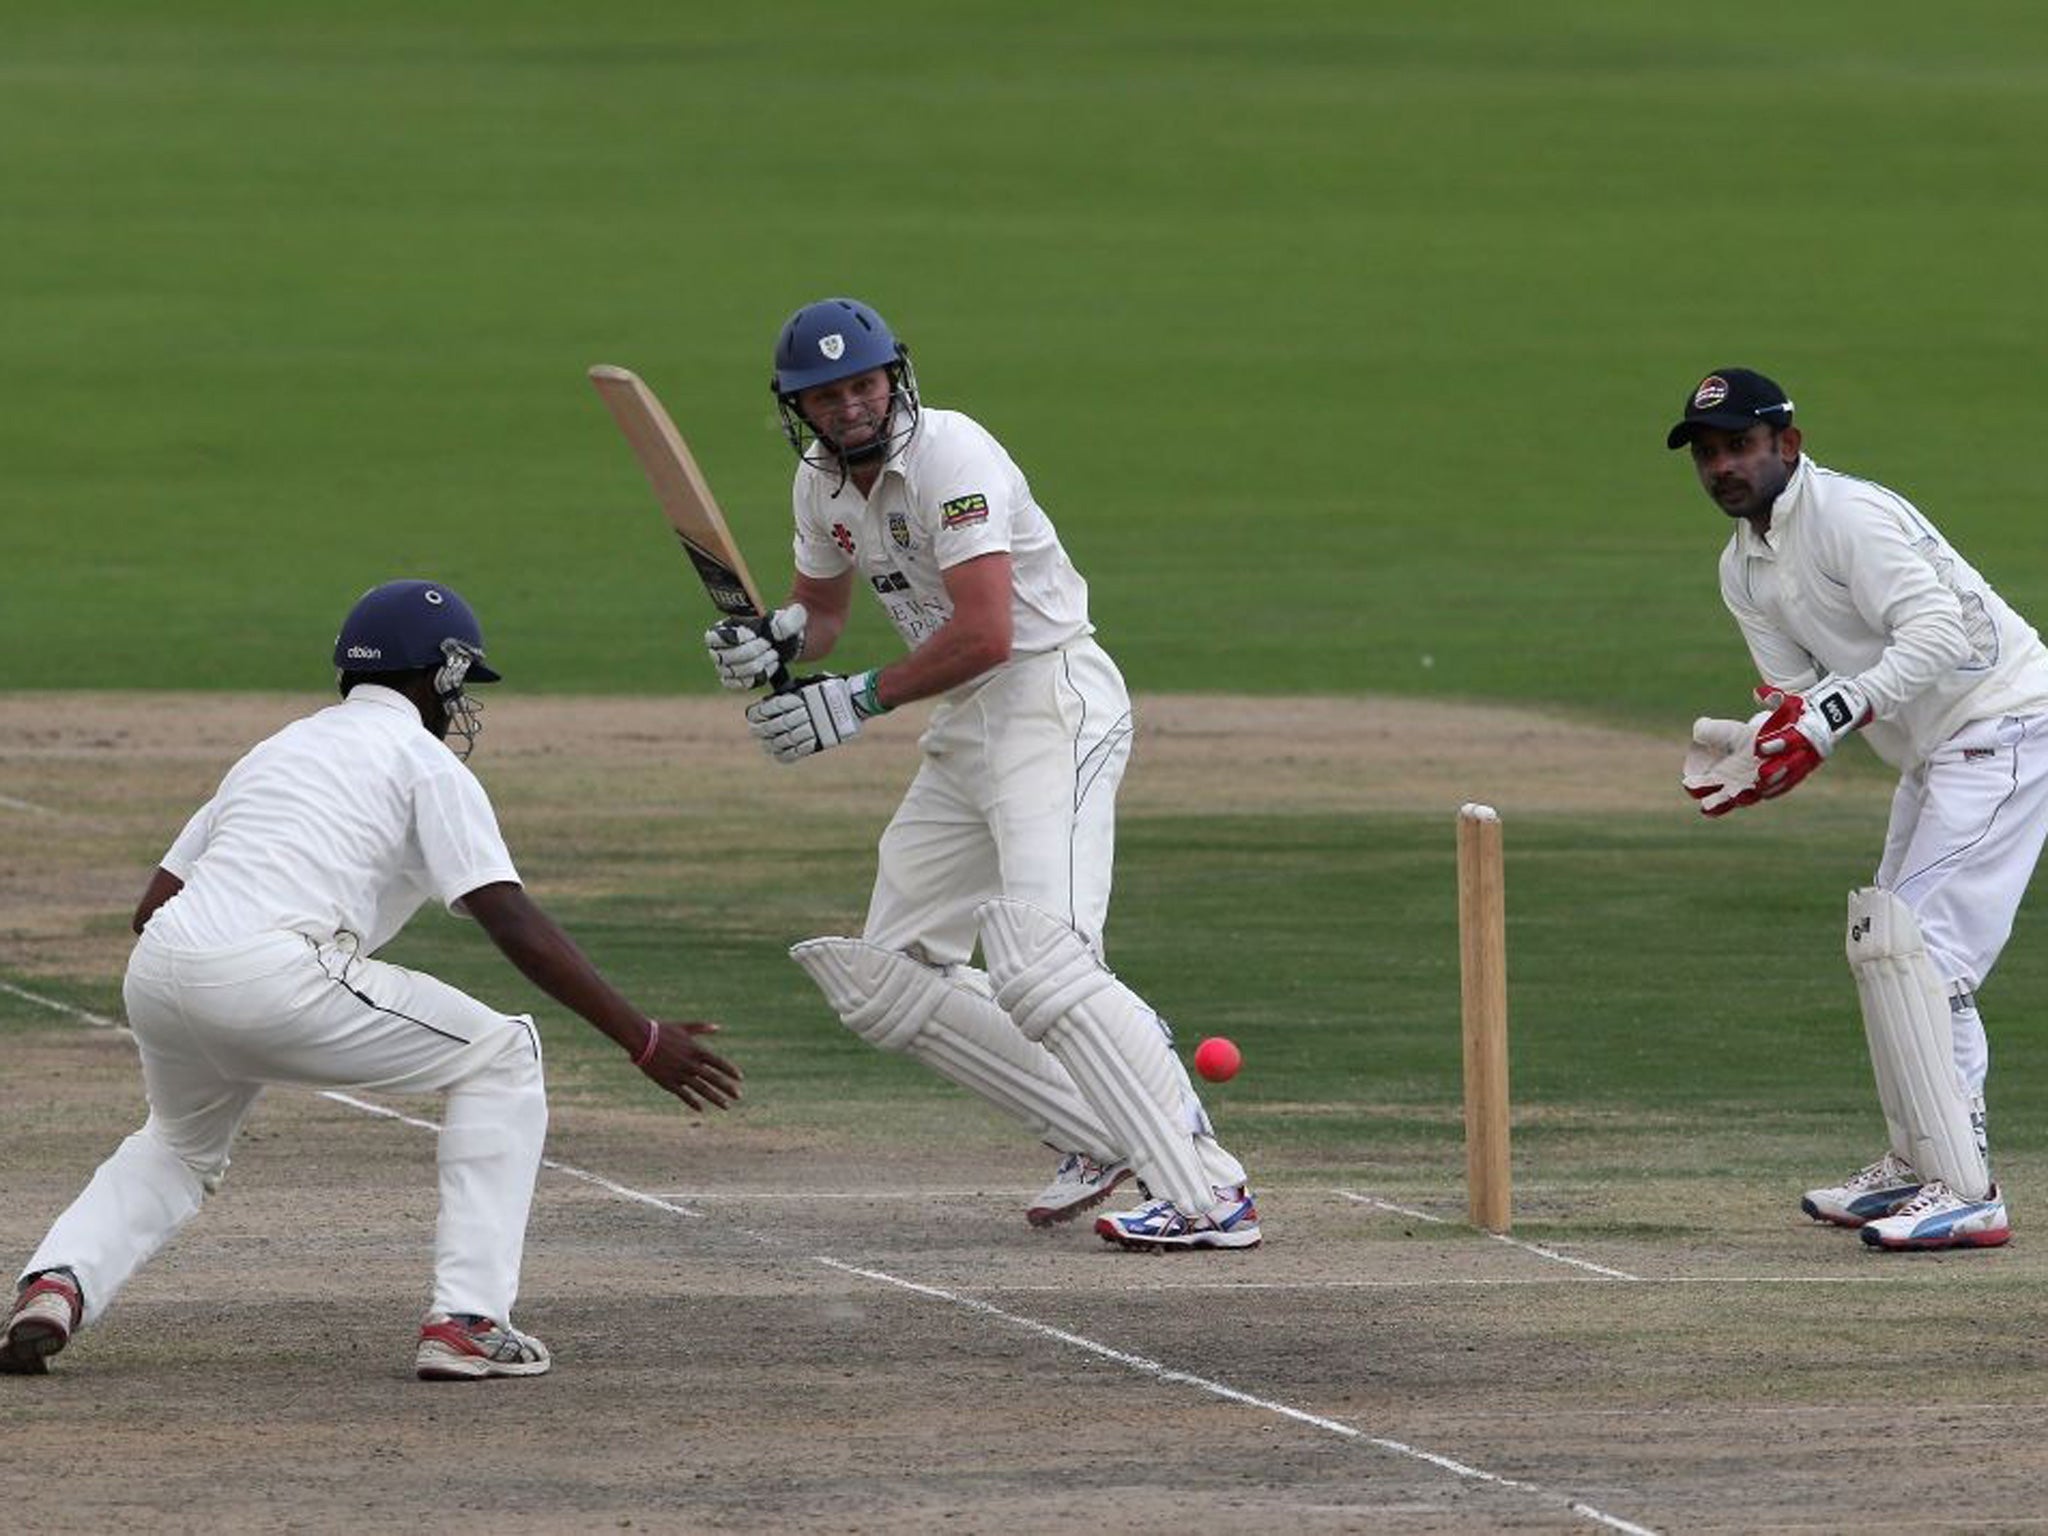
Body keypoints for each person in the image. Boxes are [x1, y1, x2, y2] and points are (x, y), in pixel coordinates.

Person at [0, 579, 741, 1379]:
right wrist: (642, 1038)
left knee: (177, 1146)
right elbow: (510, 919)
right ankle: (468, 1320)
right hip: (273, 972)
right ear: (442, 673)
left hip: (161, 972)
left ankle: (57, 1281)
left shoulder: (277, 748)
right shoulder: (424, 763)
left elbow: (155, 905)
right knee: (501, 1054)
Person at [703, 296, 1257, 1251]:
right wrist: (780, 641)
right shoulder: (818, 486)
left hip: (1050, 698)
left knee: (1044, 962)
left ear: (895, 378)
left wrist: (857, 700)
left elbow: (988, 633)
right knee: (885, 979)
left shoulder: (953, 455)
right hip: (971, 721)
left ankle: (1210, 1194)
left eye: (864, 385)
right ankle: (1099, 1132)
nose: (850, 407)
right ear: (799, 407)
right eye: (826, 396)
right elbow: (823, 614)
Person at [1671, 368, 2048, 1250]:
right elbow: (1800, 695)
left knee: (1929, 961)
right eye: (1708, 453)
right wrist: (1761, 748)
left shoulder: (1847, 516)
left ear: (1788, 446)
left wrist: (1830, 719)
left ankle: (1968, 1189)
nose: (1723, 466)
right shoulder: (1743, 566)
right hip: (1936, 750)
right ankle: (1919, 1160)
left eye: (1740, 446)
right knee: (1885, 948)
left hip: (2007, 723)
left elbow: (1941, 636)